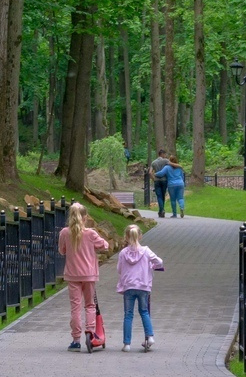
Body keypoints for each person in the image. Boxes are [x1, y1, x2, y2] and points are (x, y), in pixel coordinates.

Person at [58, 202, 110, 351]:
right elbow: (105, 245)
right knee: (90, 305)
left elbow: (62, 251)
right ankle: (91, 332)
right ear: (85, 217)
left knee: (75, 307)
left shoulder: (64, 233)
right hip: (89, 275)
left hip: (72, 275)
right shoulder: (91, 234)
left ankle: (75, 340)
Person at [116, 224, 160, 352]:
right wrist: (152, 266)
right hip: (143, 286)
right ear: (140, 236)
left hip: (129, 286)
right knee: (144, 312)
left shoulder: (123, 253)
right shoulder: (146, 251)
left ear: (126, 237)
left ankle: (127, 344)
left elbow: (119, 269)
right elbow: (159, 262)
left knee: (128, 315)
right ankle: (150, 336)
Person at [150, 149, 170, 217]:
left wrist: (154, 179)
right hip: (164, 180)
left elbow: (150, 172)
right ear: (162, 154)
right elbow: (171, 166)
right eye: (165, 154)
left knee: (159, 196)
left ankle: (161, 210)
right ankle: (162, 210)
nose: (165, 155)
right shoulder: (166, 161)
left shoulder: (153, 162)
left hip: (157, 181)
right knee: (163, 195)